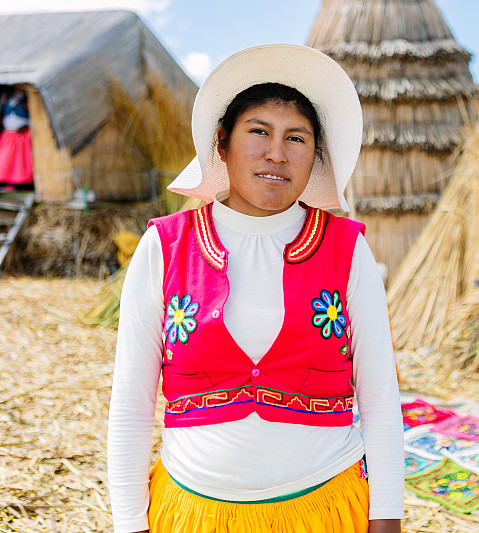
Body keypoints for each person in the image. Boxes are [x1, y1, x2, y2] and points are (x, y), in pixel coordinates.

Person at [107, 44, 405, 533]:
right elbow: (131, 406)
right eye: (258, 131)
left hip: (327, 511)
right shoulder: (164, 248)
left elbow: (380, 399)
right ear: (221, 144)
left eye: (297, 138)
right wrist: (129, 524)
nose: (276, 153)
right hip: (194, 514)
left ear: (316, 156)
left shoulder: (347, 252)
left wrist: (387, 518)